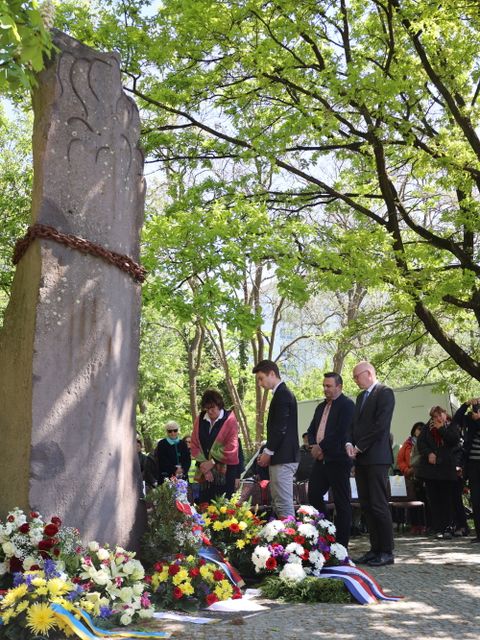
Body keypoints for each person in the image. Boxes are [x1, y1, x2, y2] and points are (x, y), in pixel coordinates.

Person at [347, 361, 395, 567]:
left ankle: (387, 550)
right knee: (366, 505)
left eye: (356, 376)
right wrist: (349, 443)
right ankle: (375, 549)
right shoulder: (360, 397)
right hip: (362, 458)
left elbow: (381, 426)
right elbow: (354, 425)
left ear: (368, 373)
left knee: (378, 503)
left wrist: (359, 446)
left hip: (377, 458)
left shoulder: (385, 392)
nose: (355, 380)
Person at [307, 372, 355, 548]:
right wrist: (313, 446)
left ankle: (341, 545)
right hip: (321, 460)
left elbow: (341, 432)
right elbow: (311, 429)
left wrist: (322, 447)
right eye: (324, 385)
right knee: (313, 494)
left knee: (342, 502)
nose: (325, 389)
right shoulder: (320, 407)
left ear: (339, 387)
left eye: (329, 386)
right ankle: (326, 532)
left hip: (338, 459)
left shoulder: (347, 405)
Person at [252, 359, 299, 518]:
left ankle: (291, 540)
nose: (260, 383)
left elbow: (280, 428)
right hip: (281, 457)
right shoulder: (280, 394)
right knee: (278, 503)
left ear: (272, 374)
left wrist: (268, 451)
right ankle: (283, 539)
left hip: (284, 458)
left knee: (283, 503)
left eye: (261, 378)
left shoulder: (283, 394)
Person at [415, 406, 459, 540]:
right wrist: (428, 453)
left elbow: (453, 440)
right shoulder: (427, 429)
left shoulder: (451, 426)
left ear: (445, 414)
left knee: (447, 500)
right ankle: (438, 528)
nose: (438, 418)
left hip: (446, 469)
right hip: (431, 471)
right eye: (435, 416)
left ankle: (448, 527)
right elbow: (420, 443)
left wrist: (441, 428)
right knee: (434, 500)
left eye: (441, 415)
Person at [190, 389, 239, 503]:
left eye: (212, 408)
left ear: (219, 406)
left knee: (223, 507)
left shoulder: (230, 419)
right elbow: (194, 444)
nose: (210, 412)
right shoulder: (200, 418)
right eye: (207, 409)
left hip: (225, 474)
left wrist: (211, 463)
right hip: (204, 474)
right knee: (205, 506)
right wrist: (204, 467)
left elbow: (231, 447)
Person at [453, 398, 480, 541]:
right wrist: (466, 404)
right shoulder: (470, 419)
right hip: (473, 465)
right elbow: (457, 419)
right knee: (475, 499)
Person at [396, 422, 426, 534]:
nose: (419, 431)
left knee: (423, 501)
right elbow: (400, 459)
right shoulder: (407, 443)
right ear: (414, 430)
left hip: (422, 476)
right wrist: (406, 470)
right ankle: (414, 525)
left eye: (422, 429)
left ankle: (423, 525)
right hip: (409, 476)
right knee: (412, 502)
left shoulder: (425, 442)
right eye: (418, 429)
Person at [153, 420, 191, 485]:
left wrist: (183, 469)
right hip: (167, 477)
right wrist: (174, 469)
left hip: (182, 476)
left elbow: (187, 459)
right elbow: (162, 460)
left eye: (175, 430)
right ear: (167, 432)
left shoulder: (182, 443)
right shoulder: (162, 444)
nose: (173, 433)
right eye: (170, 431)